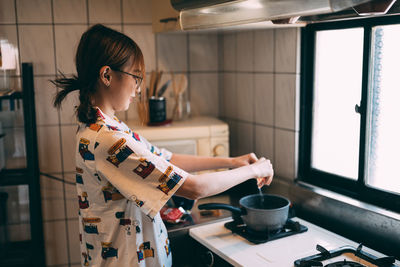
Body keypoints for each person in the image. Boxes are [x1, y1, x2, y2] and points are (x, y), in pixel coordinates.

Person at [52, 24, 274, 267]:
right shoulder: (108, 139)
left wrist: (232, 161)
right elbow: (194, 187)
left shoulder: (104, 127)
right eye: (135, 77)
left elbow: (165, 158)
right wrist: (254, 170)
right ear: (107, 76)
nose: (138, 89)